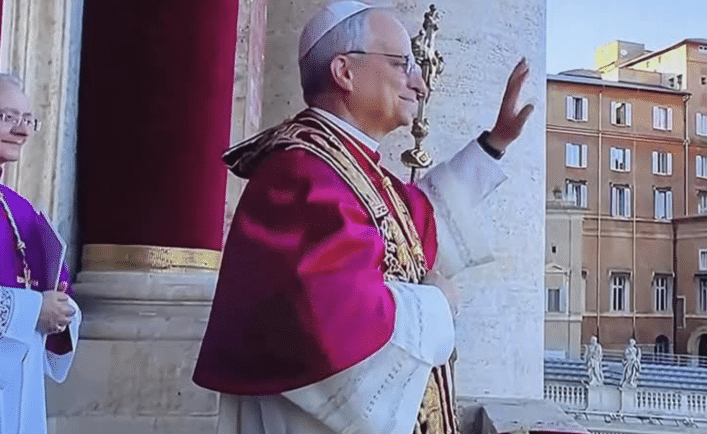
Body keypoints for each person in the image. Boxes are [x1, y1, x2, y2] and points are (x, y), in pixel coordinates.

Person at [191, 2, 533, 434]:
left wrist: (494, 144)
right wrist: (438, 305)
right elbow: (334, 325)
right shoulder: (302, 174)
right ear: (345, 72)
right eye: (402, 64)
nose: (420, 83)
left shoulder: (346, 165)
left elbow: (419, 227)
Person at [0, 73, 80, 434]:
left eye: (28, 120)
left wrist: (62, 311)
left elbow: (58, 293)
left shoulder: (21, 210)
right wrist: (34, 309)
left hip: (22, 386)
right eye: (8, 117)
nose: (22, 131)